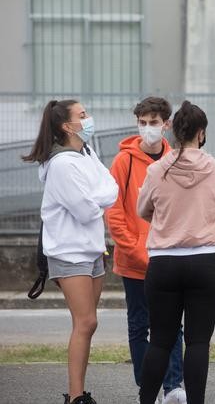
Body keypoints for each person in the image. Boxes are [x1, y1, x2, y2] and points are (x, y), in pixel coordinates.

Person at [23, 100, 119, 404]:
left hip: (92, 249)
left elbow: (111, 187)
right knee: (86, 322)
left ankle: (79, 392)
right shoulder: (62, 164)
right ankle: (76, 396)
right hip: (68, 252)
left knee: (89, 323)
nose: (88, 118)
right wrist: (100, 198)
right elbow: (85, 210)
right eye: (82, 115)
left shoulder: (87, 153)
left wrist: (99, 198)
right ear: (67, 126)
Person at [136, 101, 215, 404]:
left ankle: (146, 400)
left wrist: (168, 222)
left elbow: (143, 209)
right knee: (198, 341)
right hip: (207, 260)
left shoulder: (156, 170)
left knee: (160, 341)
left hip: (164, 261)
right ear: (201, 133)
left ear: (174, 132)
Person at [105, 97, 187, 404]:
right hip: (135, 263)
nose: (147, 128)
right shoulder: (123, 161)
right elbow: (114, 214)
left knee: (172, 326)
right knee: (139, 326)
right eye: (142, 122)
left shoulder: (177, 159)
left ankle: (174, 386)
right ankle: (146, 386)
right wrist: (137, 252)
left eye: (154, 122)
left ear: (166, 124)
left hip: (169, 260)